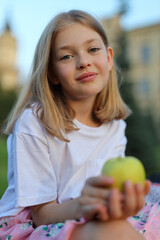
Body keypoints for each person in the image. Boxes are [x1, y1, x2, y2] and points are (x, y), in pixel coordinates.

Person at [0, 10, 151, 240]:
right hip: (38, 223)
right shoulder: (35, 122)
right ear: (52, 73)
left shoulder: (114, 126)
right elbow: (41, 214)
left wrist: (118, 205)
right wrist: (84, 206)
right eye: (66, 56)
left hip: (89, 216)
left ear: (109, 58)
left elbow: (110, 194)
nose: (84, 62)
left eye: (92, 49)